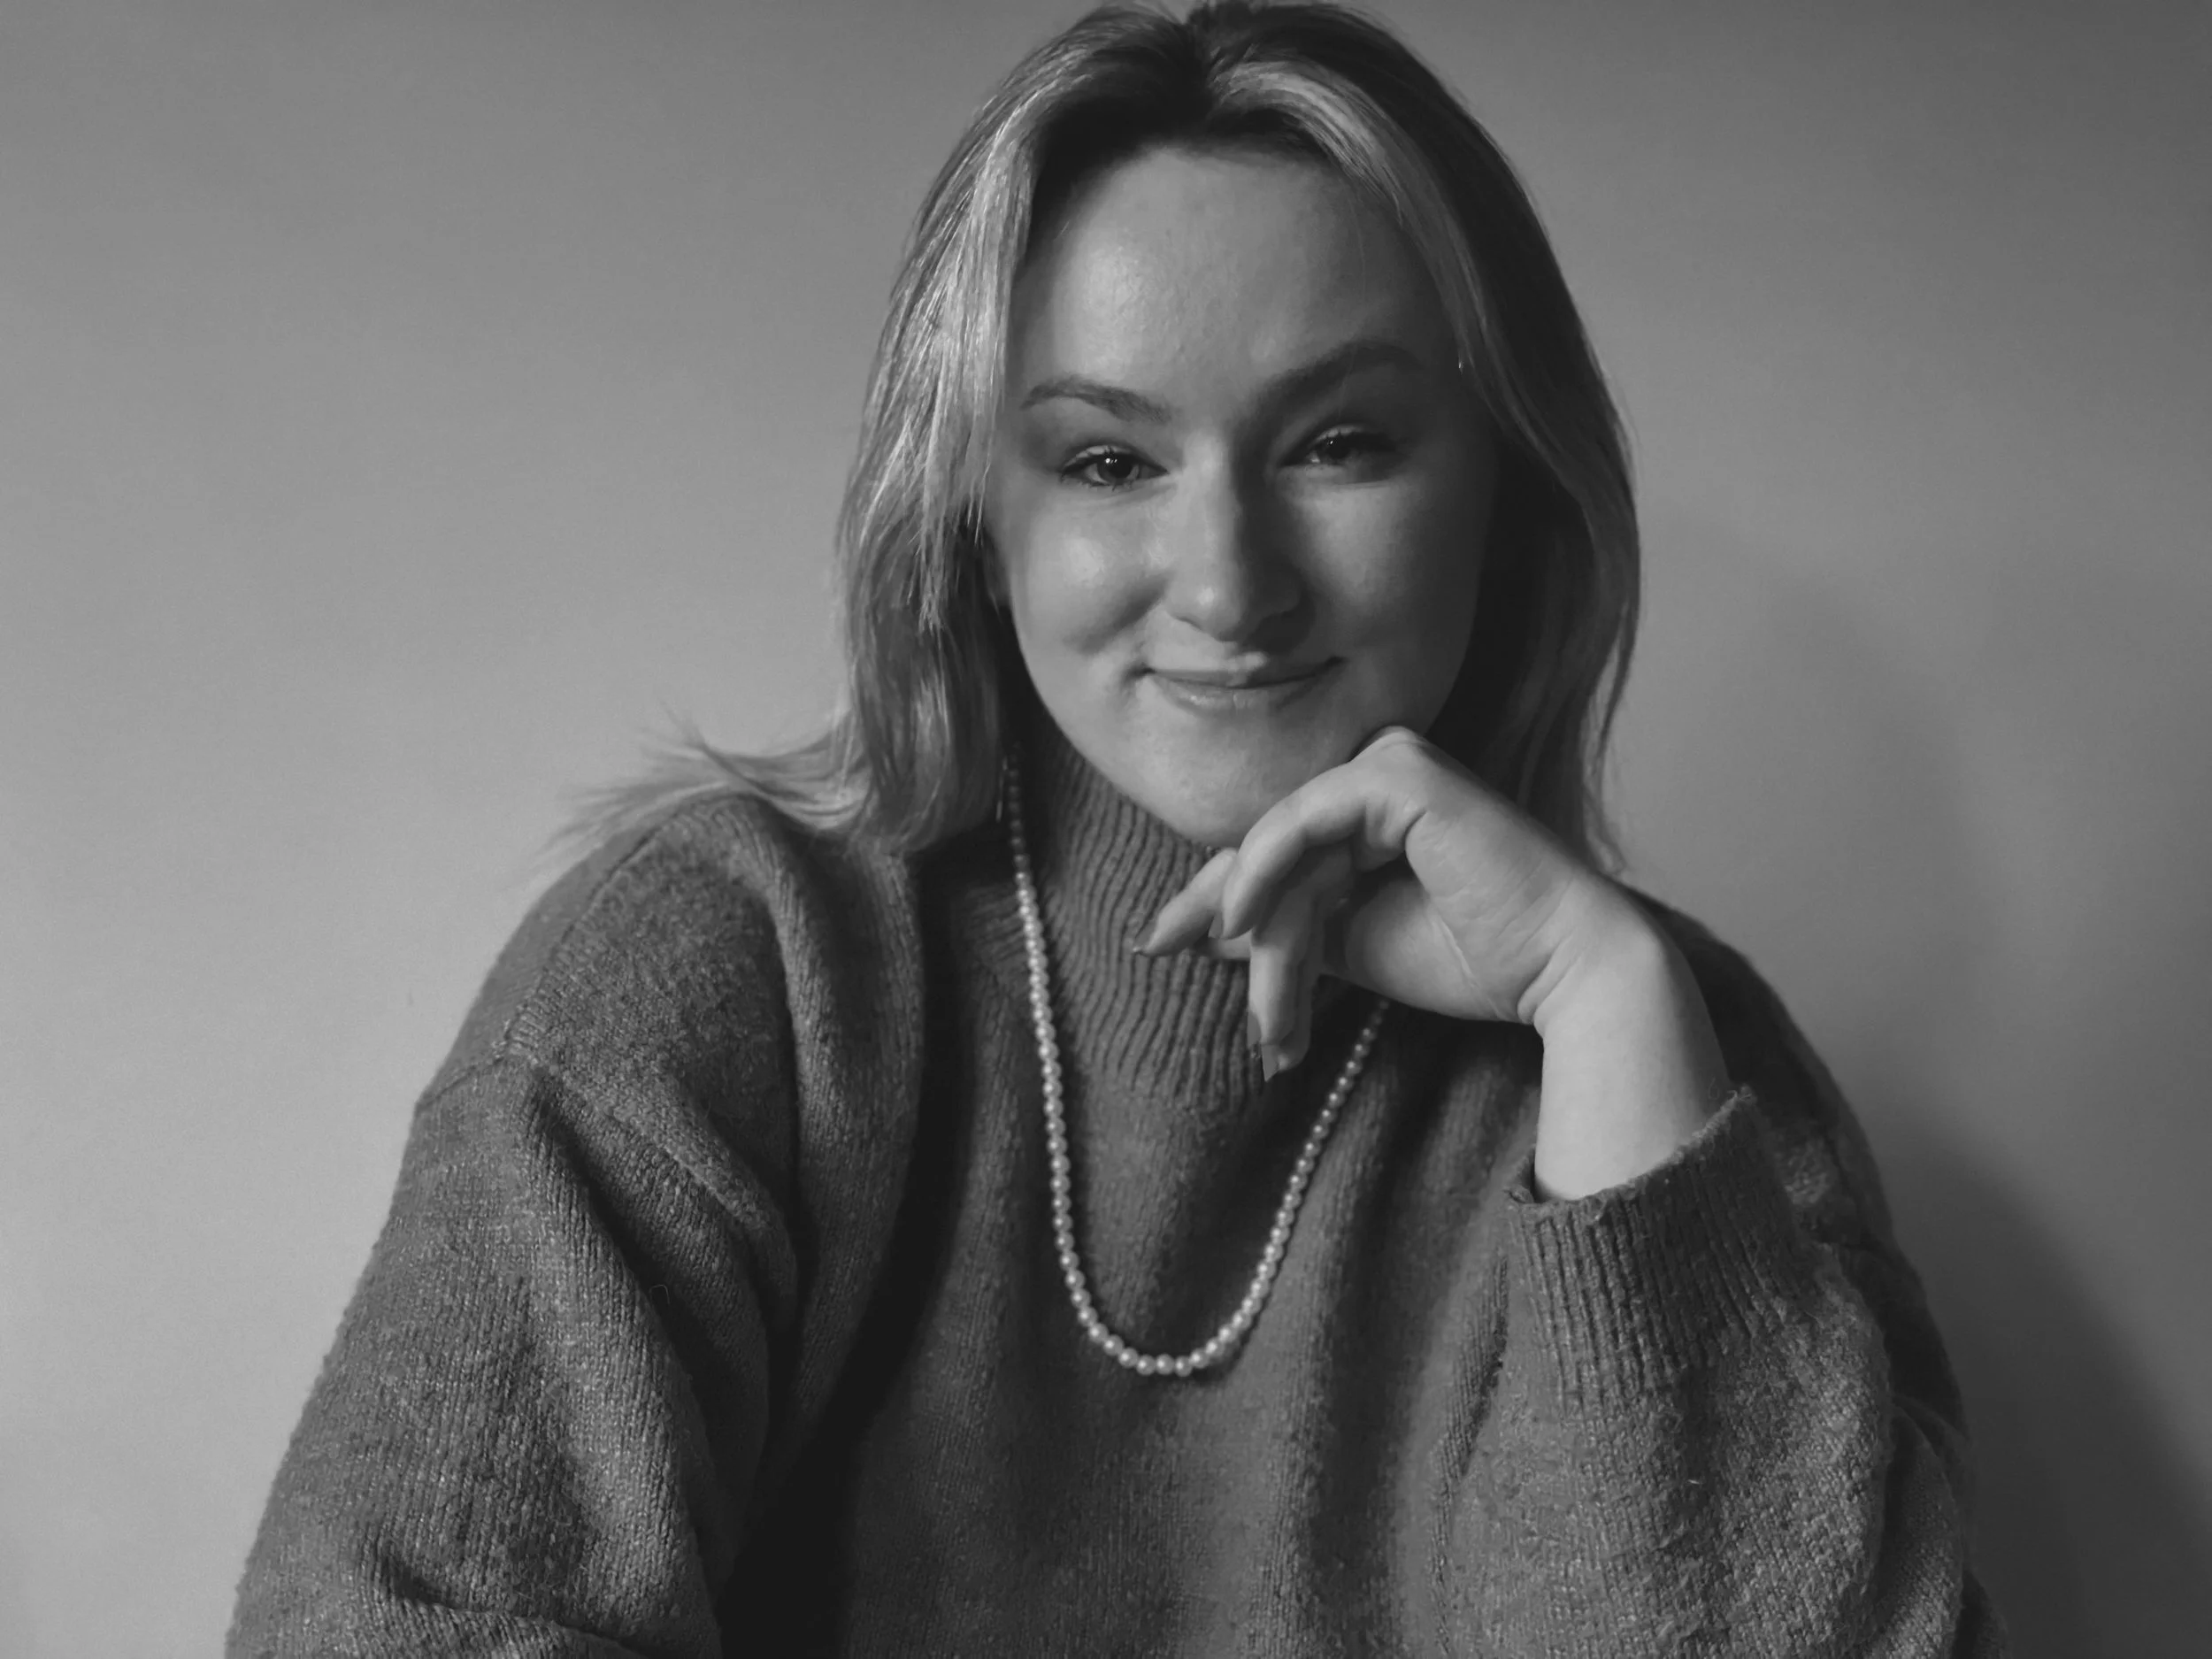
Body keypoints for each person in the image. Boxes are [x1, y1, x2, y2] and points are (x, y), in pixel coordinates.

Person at [229, 3, 2005, 1653]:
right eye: (1106, 460)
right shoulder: (729, 970)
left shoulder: (1681, 1079)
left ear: (1506, 490)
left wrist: (1601, 1008)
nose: (1227, 583)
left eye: (1338, 442)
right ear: (974, 521)